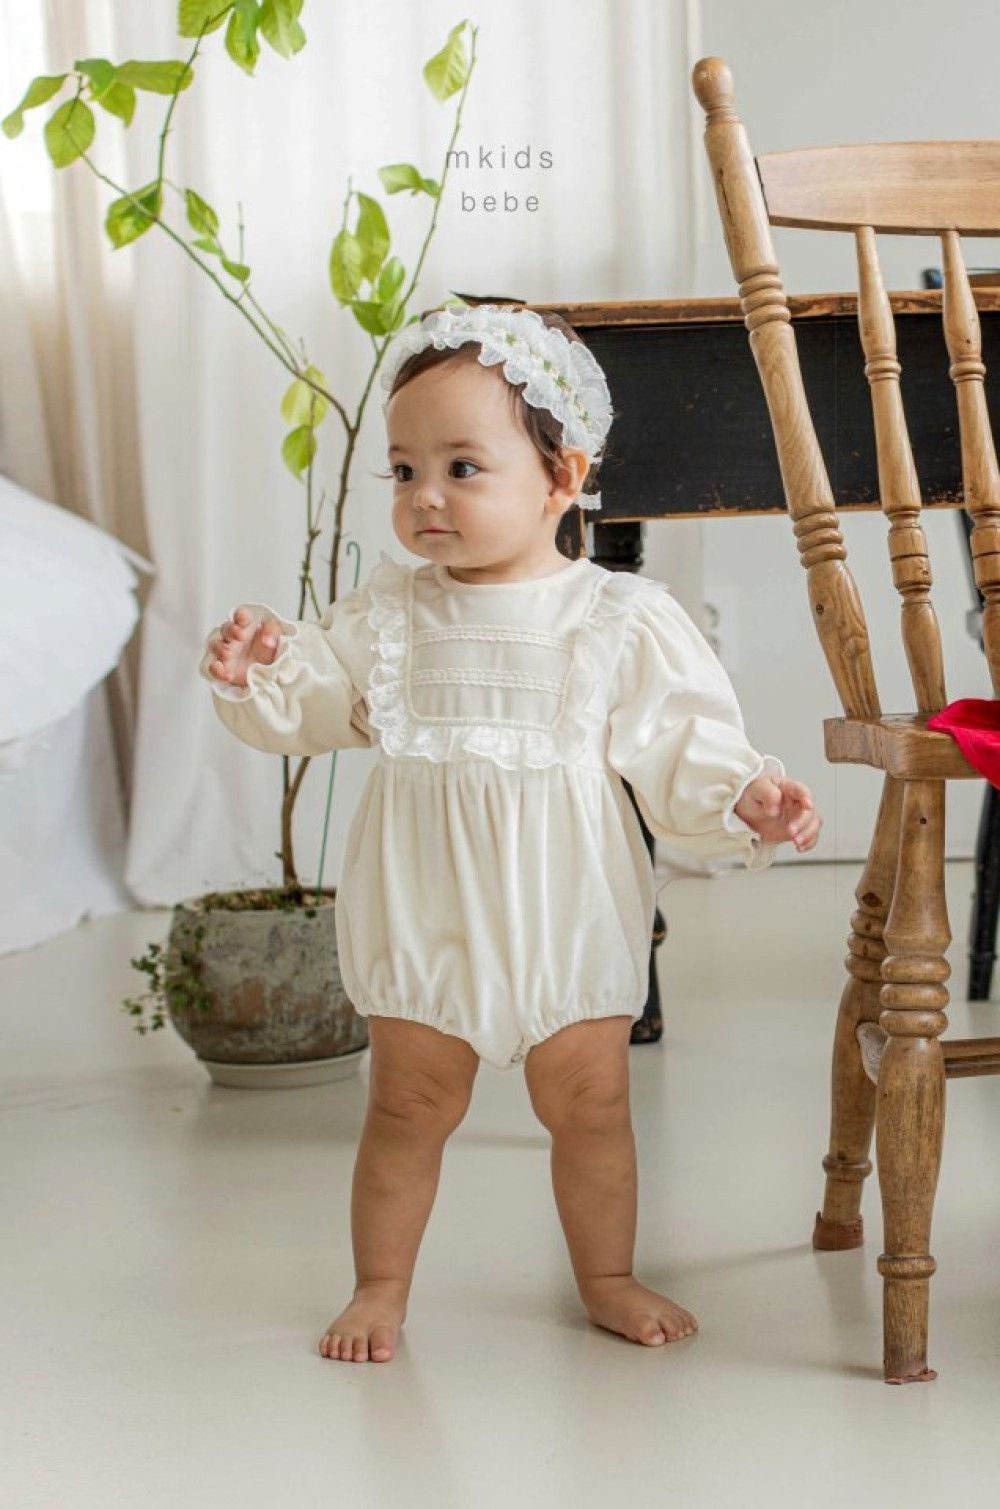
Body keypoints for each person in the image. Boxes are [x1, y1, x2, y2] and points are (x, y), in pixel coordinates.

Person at [199, 301, 822, 1365]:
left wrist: (743, 795)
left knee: (591, 1106)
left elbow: (679, 742)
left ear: (561, 479)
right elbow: (321, 703)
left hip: (567, 915)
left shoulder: (616, 617)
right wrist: (265, 667)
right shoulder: (389, 615)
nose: (425, 496)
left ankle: (607, 1275)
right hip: (424, 918)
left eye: (461, 468)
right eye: (403, 471)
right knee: (405, 1106)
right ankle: (380, 1285)